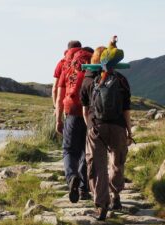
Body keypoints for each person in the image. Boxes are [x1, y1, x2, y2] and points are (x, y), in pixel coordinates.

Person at [80, 46, 133, 220]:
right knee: (117, 162)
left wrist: (90, 127)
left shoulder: (89, 81)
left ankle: (101, 206)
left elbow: (85, 110)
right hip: (118, 127)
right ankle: (116, 196)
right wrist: (129, 131)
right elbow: (126, 110)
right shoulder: (122, 80)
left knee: (97, 166)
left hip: (97, 127)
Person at [55, 43, 94, 203]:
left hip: (71, 112)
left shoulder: (67, 68)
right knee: (86, 151)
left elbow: (59, 98)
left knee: (69, 150)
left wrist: (58, 119)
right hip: (89, 113)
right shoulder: (93, 69)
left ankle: (72, 178)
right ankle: (84, 189)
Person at [52, 41, 82, 106]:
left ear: (68, 50)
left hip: (67, 103)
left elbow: (55, 88)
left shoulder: (62, 63)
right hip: (82, 102)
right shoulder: (85, 61)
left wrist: (55, 106)